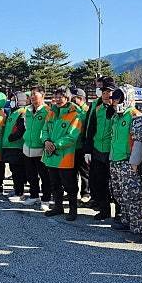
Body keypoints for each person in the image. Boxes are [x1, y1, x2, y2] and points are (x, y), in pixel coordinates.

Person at [108, 85, 142, 238]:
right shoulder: (116, 116)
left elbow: (141, 140)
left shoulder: (135, 116)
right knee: (119, 194)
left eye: (118, 98)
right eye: (114, 99)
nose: (114, 101)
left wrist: (134, 163)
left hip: (128, 162)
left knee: (133, 195)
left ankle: (137, 227)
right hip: (115, 161)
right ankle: (126, 220)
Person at [41, 86, 83, 221]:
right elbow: (44, 129)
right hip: (50, 155)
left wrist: (55, 145)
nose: (58, 99)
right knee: (54, 183)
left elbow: (72, 136)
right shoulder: (51, 113)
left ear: (67, 98)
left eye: (61, 97)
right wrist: (46, 140)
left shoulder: (74, 114)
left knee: (70, 185)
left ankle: (73, 210)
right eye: (56, 96)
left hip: (65, 156)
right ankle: (58, 207)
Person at [84, 76, 117, 220]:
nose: (106, 95)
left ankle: (120, 213)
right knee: (99, 182)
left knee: (115, 185)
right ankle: (104, 210)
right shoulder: (97, 108)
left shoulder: (119, 110)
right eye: (104, 93)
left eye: (109, 93)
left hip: (113, 152)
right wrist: (87, 150)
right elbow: (90, 129)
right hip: (98, 151)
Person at [21, 86, 52, 209]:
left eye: (35, 94)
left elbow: (49, 129)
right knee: (31, 175)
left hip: (41, 149)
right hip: (27, 147)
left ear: (43, 96)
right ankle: (34, 196)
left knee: (45, 176)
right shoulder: (27, 111)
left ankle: (46, 199)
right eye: (31, 94)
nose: (32, 97)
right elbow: (26, 127)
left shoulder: (47, 111)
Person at [3, 91, 28, 201]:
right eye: (11, 100)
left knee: (18, 171)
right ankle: (17, 189)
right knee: (14, 170)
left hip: (17, 146)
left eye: (14, 100)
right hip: (10, 146)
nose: (11, 102)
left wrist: (12, 137)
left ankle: (20, 193)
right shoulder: (13, 112)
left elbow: (21, 129)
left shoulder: (22, 112)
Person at [70, 88, 91, 201]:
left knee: (84, 171)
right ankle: (72, 193)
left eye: (74, 98)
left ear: (80, 98)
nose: (72, 100)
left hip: (82, 145)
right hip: (72, 146)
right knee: (72, 172)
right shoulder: (72, 110)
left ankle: (85, 193)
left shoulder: (87, 111)